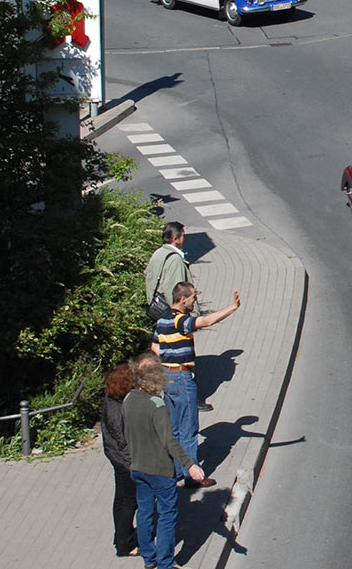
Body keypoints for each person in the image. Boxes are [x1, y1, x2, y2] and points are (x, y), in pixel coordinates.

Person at [124, 354, 210, 569]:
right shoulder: (157, 405)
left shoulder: (128, 400)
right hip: (160, 471)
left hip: (137, 467)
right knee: (167, 516)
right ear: (156, 378)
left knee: (144, 512)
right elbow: (169, 441)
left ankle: (149, 558)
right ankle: (166, 563)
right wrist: (190, 464)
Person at [153, 282, 241, 481]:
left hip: (166, 376)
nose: (195, 301)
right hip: (182, 377)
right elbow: (207, 322)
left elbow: (155, 348)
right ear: (183, 299)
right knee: (189, 429)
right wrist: (232, 307)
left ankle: (175, 471)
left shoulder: (162, 319)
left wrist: (169, 359)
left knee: (173, 428)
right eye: (193, 297)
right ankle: (193, 475)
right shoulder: (180, 321)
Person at [101, 361, 139, 558]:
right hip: (124, 462)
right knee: (129, 503)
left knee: (120, 500)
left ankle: (121, 537)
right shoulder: (117, 409)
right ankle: (125, 545)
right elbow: (123, 442)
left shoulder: (110, 399)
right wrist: (133, 465)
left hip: (115, 457)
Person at [145, 221, 191, 315]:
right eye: (183, 236)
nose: (184, 239)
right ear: (175, 239)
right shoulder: (175, 260)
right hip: (172, 316)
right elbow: (176, 291)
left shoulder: (158, 253)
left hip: (157, 308)